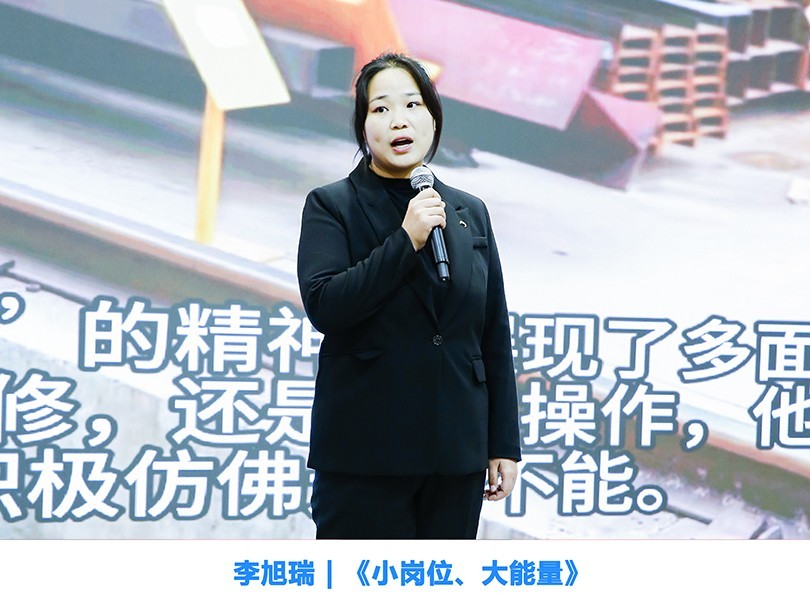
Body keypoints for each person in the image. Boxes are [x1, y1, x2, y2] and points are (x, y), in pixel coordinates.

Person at [296, 52, 521, 539]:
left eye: (412, 105)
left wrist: (503, 442)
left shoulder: (469, 212)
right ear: (363, 128)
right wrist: (405, 240)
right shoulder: (332, 205)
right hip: (366, 458)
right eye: (381, 109)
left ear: (433, 119)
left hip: (454, 459)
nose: (399, 120)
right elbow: (326, 305)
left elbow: (491, 331)